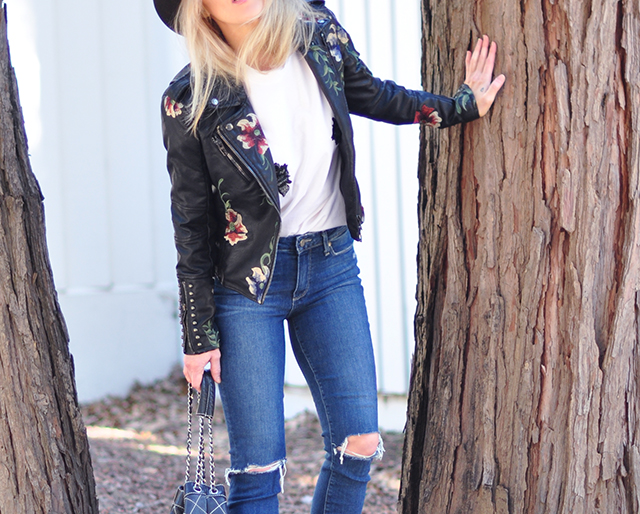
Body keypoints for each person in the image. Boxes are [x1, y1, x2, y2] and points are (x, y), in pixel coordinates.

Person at [154, 0, 505, 512]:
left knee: (359, 444)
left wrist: (459, 105)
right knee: (257, 470)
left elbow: (376, 95)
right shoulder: (190, 99)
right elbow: (191, 224)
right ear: (198, 8)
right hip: (247, 288)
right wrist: (197, 332)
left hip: (330, 265)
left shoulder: (317, 34)